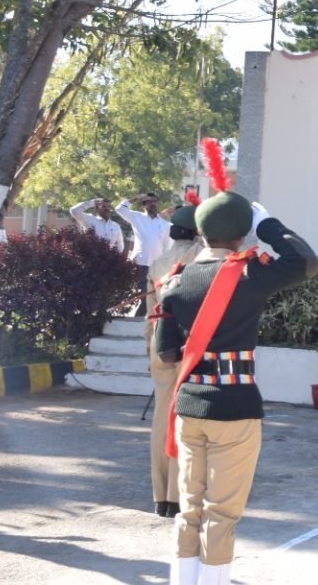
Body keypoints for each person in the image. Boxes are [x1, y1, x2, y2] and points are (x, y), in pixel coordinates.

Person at [155, 190, 318, 585]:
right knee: (221, 513)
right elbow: (307, 262)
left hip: (190, 406)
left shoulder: (176, 281)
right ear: (242, 234)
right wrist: (268, 224)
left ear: (201, 231)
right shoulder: (248, 274)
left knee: (190, 508)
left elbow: (166, 353)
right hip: (235, 406)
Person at [144, 199, 203, 518]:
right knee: (186, 418)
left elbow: (149, 313)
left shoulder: (157, 262)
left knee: (161, 417)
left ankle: (161, 496)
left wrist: (148, 349)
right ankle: (179, 494)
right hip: (188, 342)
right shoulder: (198, 255)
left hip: (158, 341)